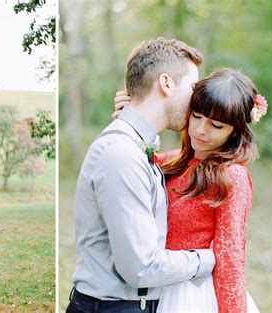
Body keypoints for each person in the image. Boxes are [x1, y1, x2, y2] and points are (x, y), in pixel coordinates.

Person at [67, 38, 216, 313]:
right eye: (193, 87)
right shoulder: (122, 154)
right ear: (166, 83)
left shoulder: (136, 147)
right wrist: (208, 259)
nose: (198, 99)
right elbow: (141, 268)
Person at [115, 69, 266, 312]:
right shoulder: (171, 162)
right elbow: (127, 166)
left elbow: (229, 256)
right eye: (196, 116)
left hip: (192, 295)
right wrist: (128, 117)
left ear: (235, 130)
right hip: (153, 286)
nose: (200, 130)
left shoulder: (232, 176)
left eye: (216, 125)